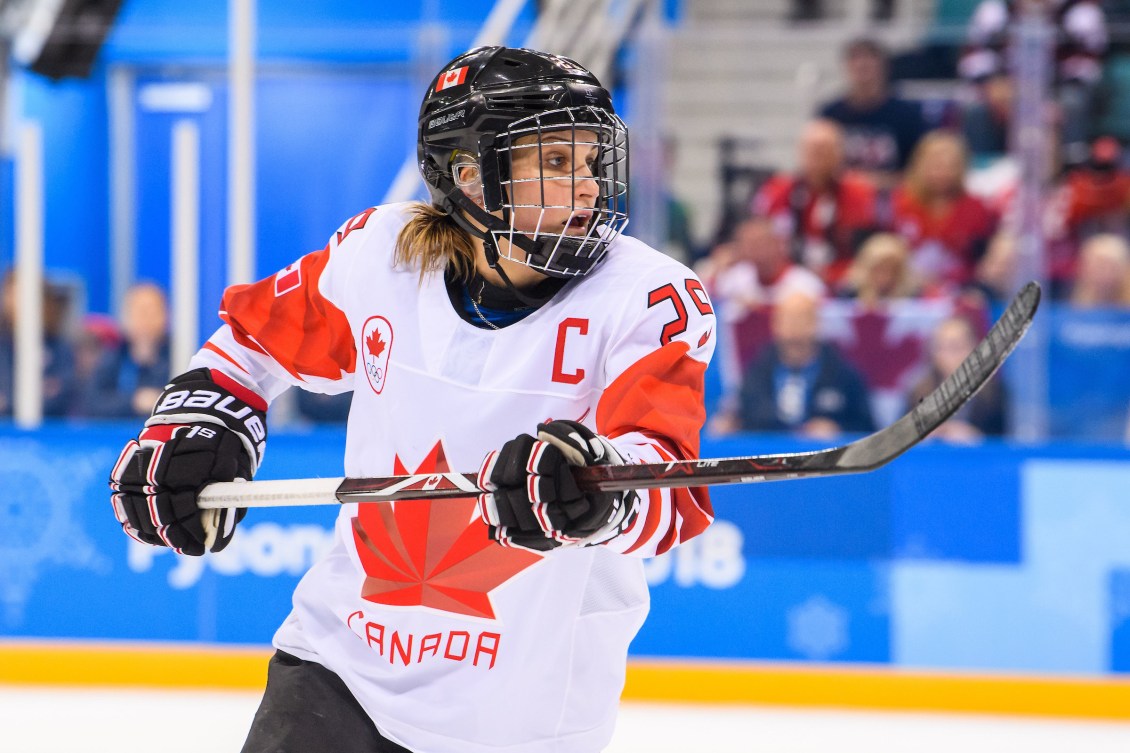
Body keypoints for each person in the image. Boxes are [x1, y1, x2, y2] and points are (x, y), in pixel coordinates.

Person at [108, 46, 716, 753]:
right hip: (341, 668)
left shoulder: (648, 298)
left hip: (521, 718)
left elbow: (666, 483)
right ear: (471, 177)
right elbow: (254, 340)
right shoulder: (383, 255)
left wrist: (600, 491)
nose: (586, 188)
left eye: (588, 163)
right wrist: (200, 420)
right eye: (555, 163)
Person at [751, 119, 880, 286]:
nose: (819, 158)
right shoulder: (777, 190)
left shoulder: (859, 193)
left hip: (843, 279)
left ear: (839, 153)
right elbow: (757, 238)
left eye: (825, 150)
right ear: (801, 152)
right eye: (813, 150)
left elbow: (868, 248)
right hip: (785, 279)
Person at [731, 291, 874, 438]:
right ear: (774, 324)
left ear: (816, 323)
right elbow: (743, 416)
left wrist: (838, 430)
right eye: (787, 320)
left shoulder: (843, 374)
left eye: (801, 319)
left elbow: (867, 429)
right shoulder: (757, 371)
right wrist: (731, 424)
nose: (794, 328)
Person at [889, 130, 999, 290]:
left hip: (962, 289)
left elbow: (983, 262)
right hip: (904, 289)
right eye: (936, 163)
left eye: (951, 165)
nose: (943, 171)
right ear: (918, 163)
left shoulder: (977, 209)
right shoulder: (897, 203)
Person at [817, 37, 930, 187]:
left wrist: (874, 182)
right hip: (843, 199)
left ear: (884, 66)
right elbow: (818, 169)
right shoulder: (830, 114)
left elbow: (920, 168)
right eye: (856, 59)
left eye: (869, 60)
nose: (862, 65)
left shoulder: (907, 114)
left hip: (895, 198)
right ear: (846, 66)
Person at [906, 315, 1007, 441]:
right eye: (942, 347)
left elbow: (1007, 441)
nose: (950, 355)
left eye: (956, 346)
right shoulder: (917, 392)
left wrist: (975, 437)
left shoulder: (995, 394)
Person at [80, 281, 171, 418]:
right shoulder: (113, 355)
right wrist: (134, 402)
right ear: (127, 316)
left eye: (153, 312)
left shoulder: (177, 357)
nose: (146, 320)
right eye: (140, 312)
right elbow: (93, 403)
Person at [0, 270, 76, 418]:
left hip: (50, 433)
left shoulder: (59, 347)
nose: (19, 303)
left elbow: (62, 393)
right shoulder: (3, 345)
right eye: (14, 294)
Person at [1069, 233, 1130, 307]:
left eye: (1107, 266)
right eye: (1095, 266)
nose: (1101, 272)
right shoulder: (1079, 299)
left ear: (1122, 269)